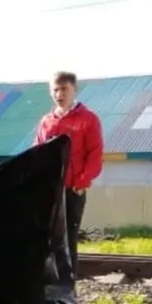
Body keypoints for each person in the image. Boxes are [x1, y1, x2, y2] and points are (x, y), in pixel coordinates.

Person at [33, 71, 104, 275]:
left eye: (64, 88)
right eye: (55, 89)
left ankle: (67, 281)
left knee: (68, 237)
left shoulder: (88, 119)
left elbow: (95, 155)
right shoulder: (47, 121)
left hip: (73, 188)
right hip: (49, 190)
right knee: (46, 237)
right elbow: (36, 152)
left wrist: (81, 181)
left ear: (74, 89)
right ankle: (47, 281)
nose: (59, 93)